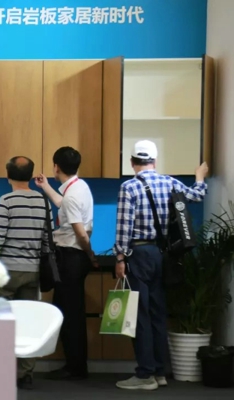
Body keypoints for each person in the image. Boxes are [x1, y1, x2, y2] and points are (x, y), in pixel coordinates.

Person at [113, 140, 208, 390]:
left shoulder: (129, 187)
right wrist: (199, 176)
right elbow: (197, 195)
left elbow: (124, 226)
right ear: (154, 161)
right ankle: (159, 372)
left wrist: (120, 257)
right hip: (161, 254)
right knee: (157, 313)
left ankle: (145, 375)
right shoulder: (169, 182)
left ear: (132, 162)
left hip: (138, 254)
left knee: (140, 315)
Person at [35, 146, 96, 381]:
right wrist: (46, 187)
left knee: (70, 315)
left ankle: (76, 368)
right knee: (69, 312)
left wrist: (90, 254)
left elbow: (80, 233)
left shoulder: (72, 195)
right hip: (74, 258)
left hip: (71, 257)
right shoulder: (80, 187)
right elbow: (64, 204)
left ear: (56, 167)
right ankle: (75, 365)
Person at [0, 156, 49, 390]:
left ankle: (3, 370)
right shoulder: (43, 202)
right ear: (31, 175)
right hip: (32, 270)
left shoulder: (6, 201)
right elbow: (47, 239)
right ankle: (25, 373)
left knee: (2, 322)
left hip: (7, 271)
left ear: (8, 176)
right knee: (28, 322)